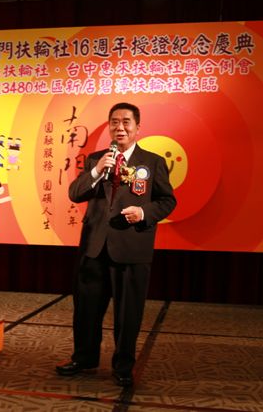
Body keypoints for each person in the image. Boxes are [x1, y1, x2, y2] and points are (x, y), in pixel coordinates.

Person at [56, 102, 176, 387]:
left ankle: (123, 366)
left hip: (131, 247)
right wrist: (97, 171)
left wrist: (143, 213)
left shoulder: (152, 162)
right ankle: (84, 358)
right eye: (114, 122)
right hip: (94, 246)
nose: (119, 127)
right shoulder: (96, 160)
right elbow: (75, 193)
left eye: (125, 122)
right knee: (86, 309)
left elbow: (167, 200)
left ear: (137, 127)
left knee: (127, 312)